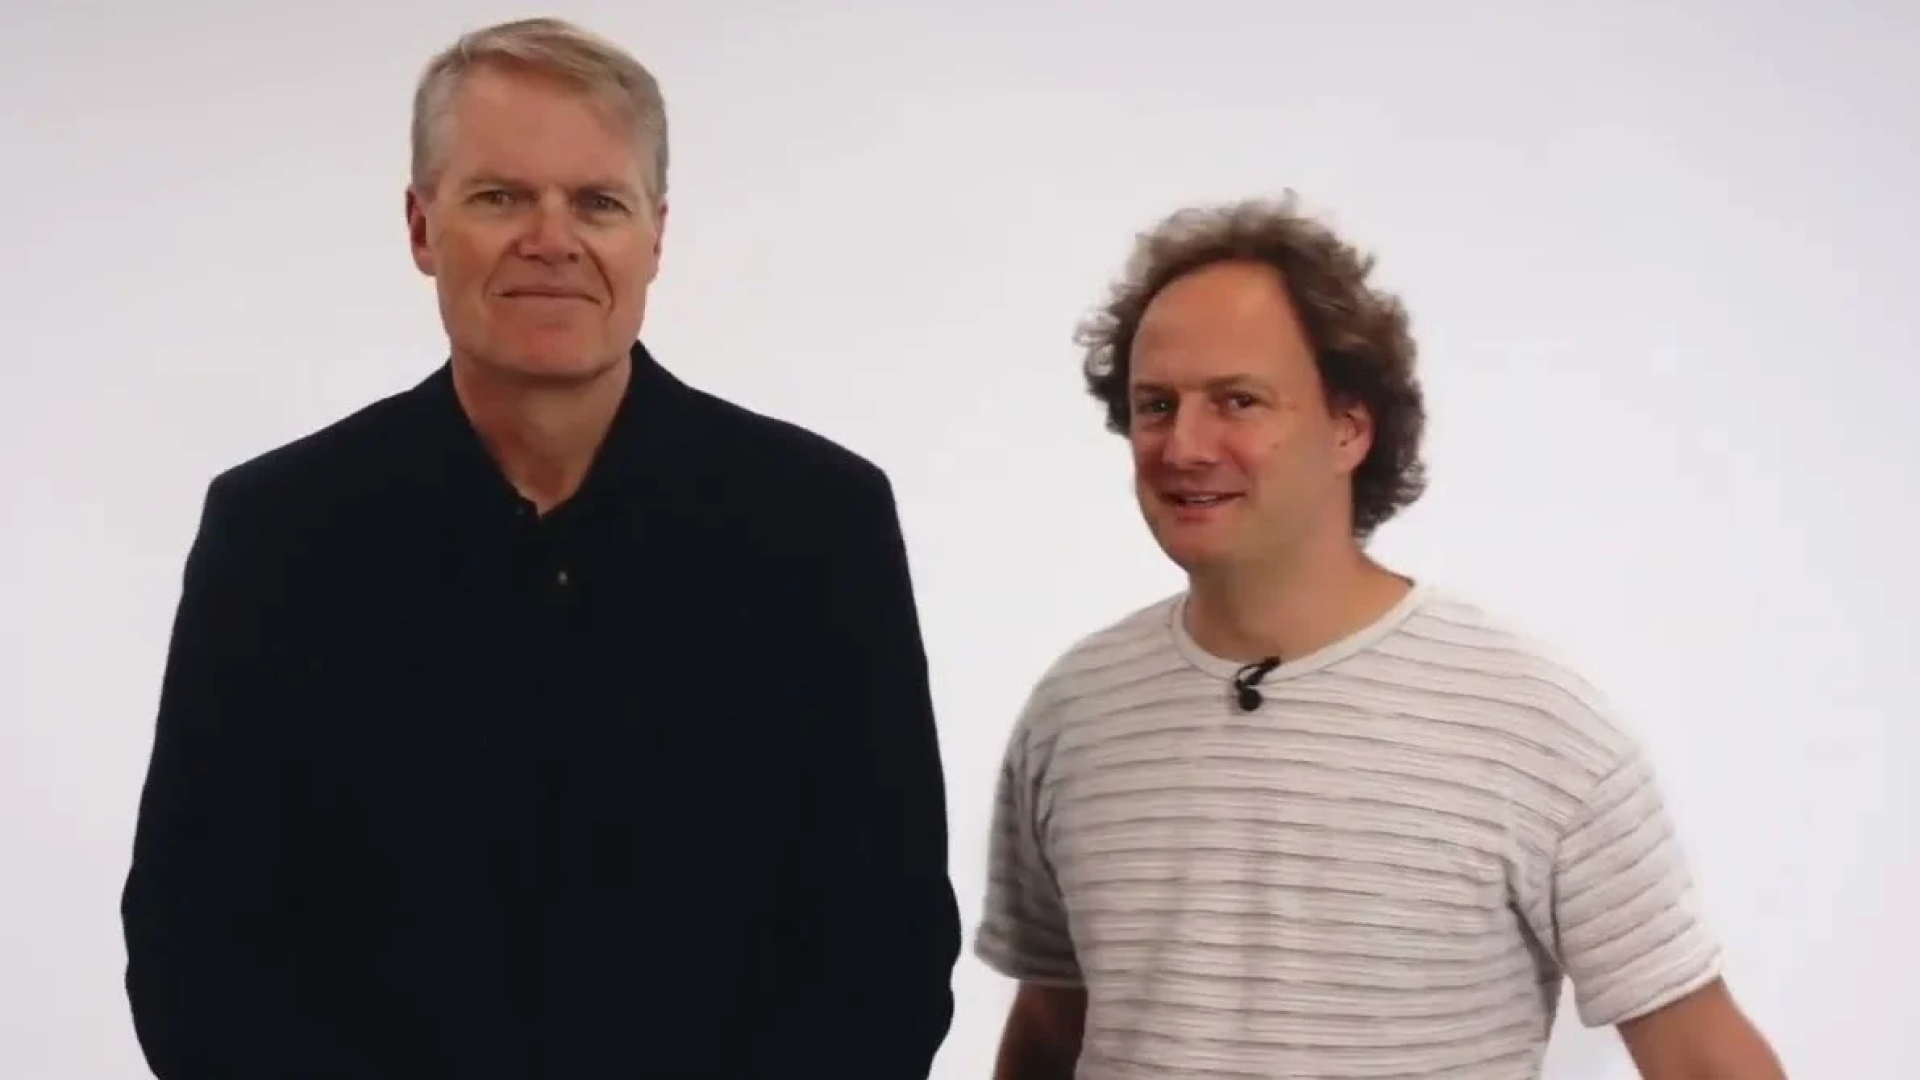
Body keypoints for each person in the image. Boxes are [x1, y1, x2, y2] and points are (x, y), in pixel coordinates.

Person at [119, 17, 959, 1079]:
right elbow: (199, 951)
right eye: (501, 196)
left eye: (597, 201)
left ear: (656, 234)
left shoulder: (819, 525)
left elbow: (881, 949)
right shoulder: (277, 532)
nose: (551, 238)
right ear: (422, 227)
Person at [972, 195, 1787, 1079]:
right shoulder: (1076, 709)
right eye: (1156, 405)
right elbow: (1054, 1032)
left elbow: (1705, 1058)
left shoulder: (1534, 725)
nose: (1186, 444)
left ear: (1349, 428)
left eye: (1238, 401)